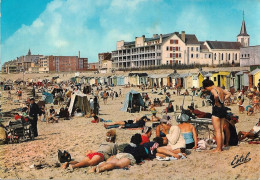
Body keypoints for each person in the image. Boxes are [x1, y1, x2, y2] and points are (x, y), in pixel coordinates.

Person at [202, 79, 231, 152]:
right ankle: (221, 147)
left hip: (216, 109)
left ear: (207, 86)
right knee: (221, 130)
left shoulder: (212, 89)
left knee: (217, 131)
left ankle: (218, 148)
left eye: (206, 88)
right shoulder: (219, 88)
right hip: (223, 109)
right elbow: (229, 93)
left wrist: (216, 102)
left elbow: (215, 95)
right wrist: (223, 100)